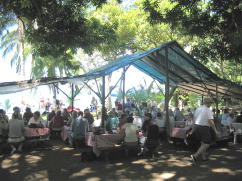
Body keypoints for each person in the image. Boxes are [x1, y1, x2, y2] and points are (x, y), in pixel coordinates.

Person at [191, 98, 218, 164]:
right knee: (207, 143)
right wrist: (215, 130)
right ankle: (195, 155)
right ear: (208, 103)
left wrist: (193, 128)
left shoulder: (198, 108)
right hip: (204, 127)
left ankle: (204, 158)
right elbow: (210, 121)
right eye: (210, 103)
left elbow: (194, 119)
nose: (211, 104)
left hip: (197, 126)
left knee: (203, 143)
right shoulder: (208, 110)